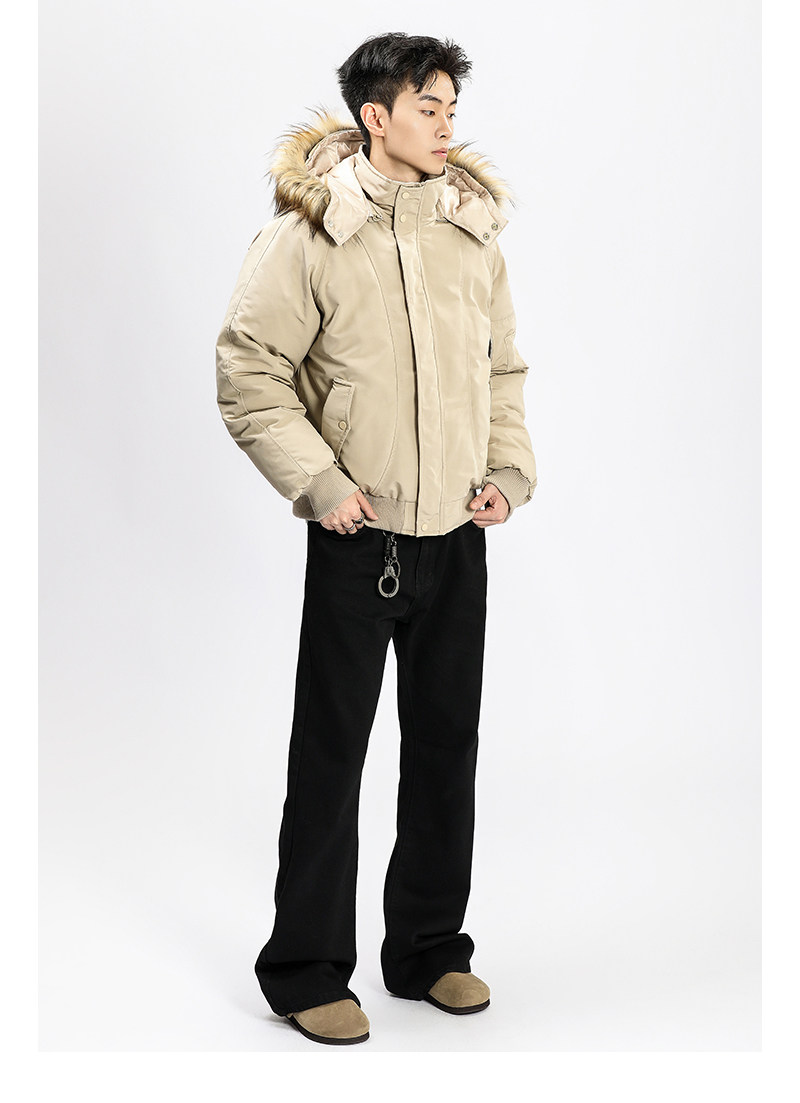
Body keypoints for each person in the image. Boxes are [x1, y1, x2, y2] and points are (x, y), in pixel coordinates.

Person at [215, 31, 538, 1046]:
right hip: (361, 540)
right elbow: (249, 369)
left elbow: (501, 369)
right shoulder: (309, 233)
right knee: (331, 756)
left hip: (456, 536)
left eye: (451, 109)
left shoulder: (469, 232)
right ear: (375, 117)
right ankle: (306, 968)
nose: (445, 124)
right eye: (427, 107)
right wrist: (320, 483)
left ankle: (429, 949)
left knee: (445, 749)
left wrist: (507, 472)